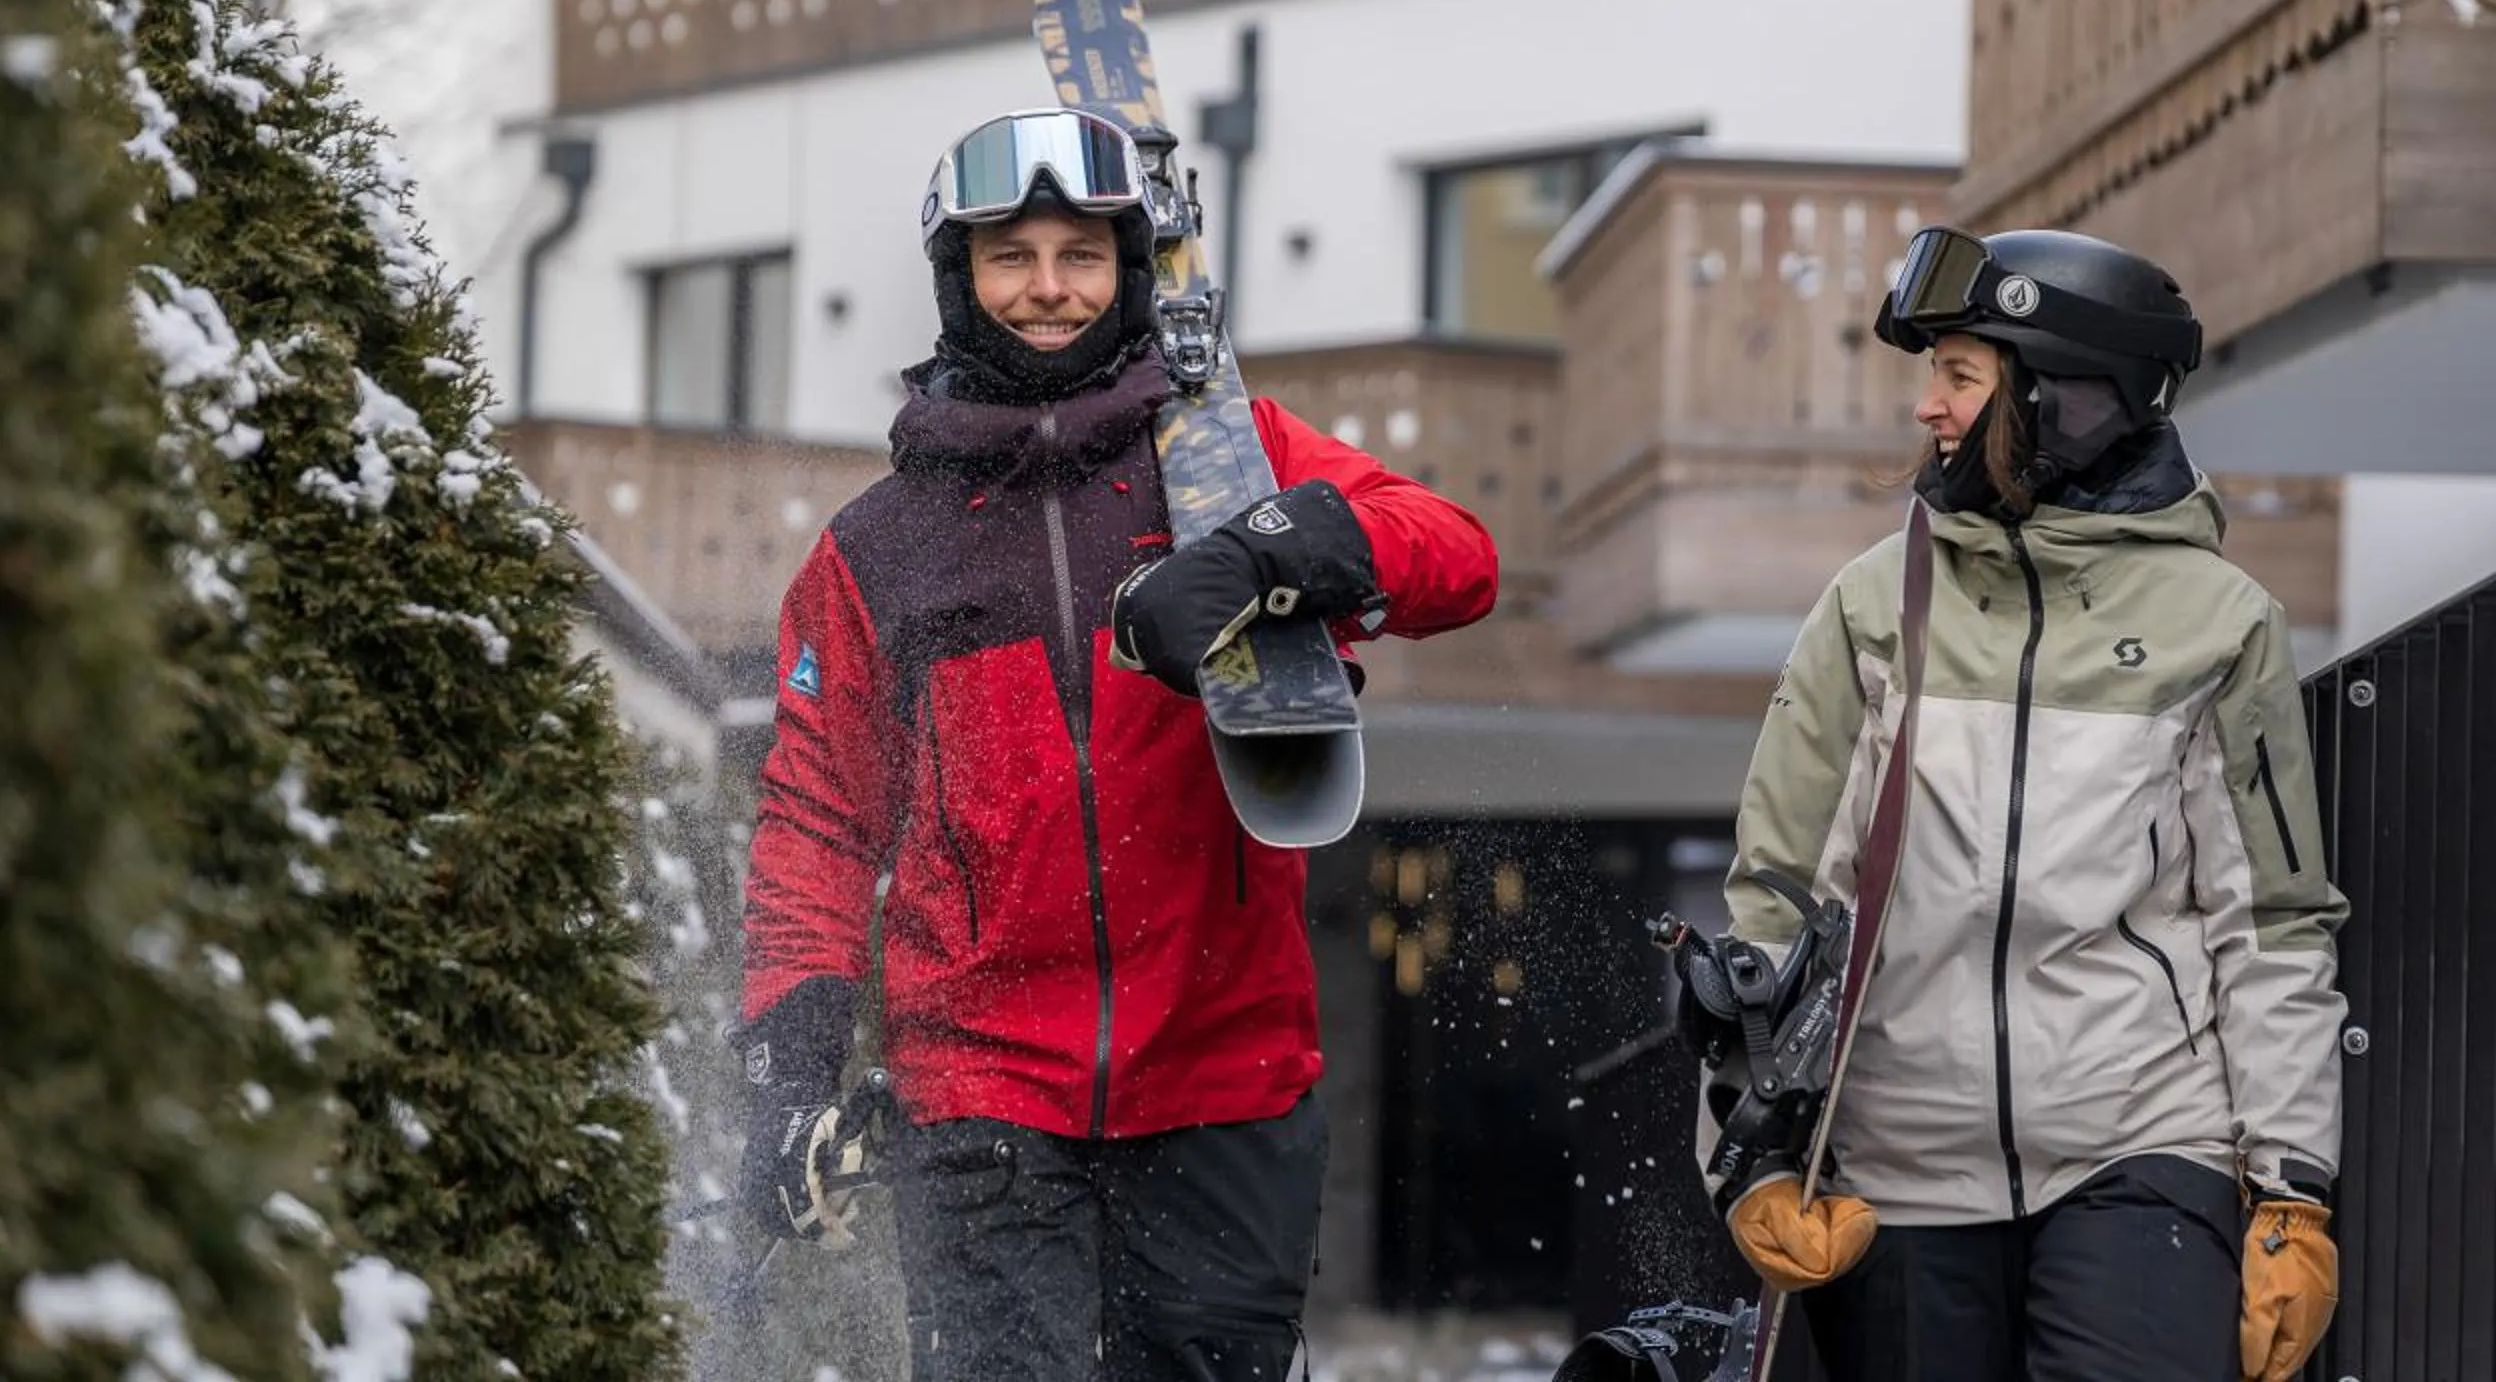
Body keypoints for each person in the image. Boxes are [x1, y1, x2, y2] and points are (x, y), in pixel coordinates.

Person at [730, 106, 1500, 1380]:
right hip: (981, 1093)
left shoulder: (1224, 459)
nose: (1047, 287)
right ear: (958, 280)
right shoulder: (875, 550)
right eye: (1010, 255)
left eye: (1081, 253)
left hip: (1223, 1073)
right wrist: (791, 1070)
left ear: (1131, 271)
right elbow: (817, 823)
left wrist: (1267, 550)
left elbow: (1458, 557)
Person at [1691, 226, 2347, 1382]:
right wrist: (1747, 1160)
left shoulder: (2222, 621)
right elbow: (1776, 897)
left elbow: (2272, 921)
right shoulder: (1870, 607)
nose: (1927, 409)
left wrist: (2292, 1185)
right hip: (1897, 1167)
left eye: (1959, 373)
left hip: (2141, 1141)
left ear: (2065, 397)